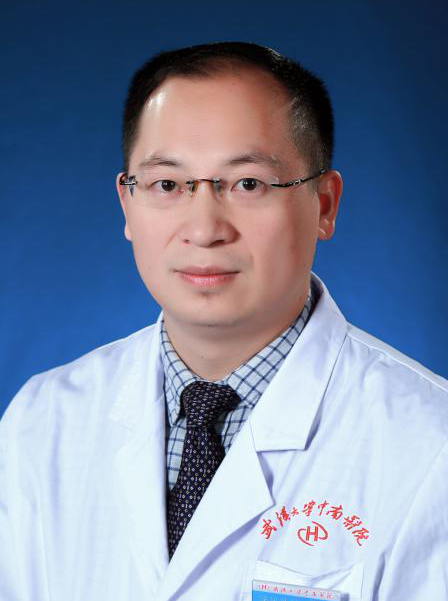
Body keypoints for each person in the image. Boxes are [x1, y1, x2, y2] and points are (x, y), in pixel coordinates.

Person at [0, 41, 447, 601]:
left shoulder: (431, 446)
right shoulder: (42, 421)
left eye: (248, 184)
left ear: (325, 204)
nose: (205, 228)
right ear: (127, 204)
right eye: (168, 185)